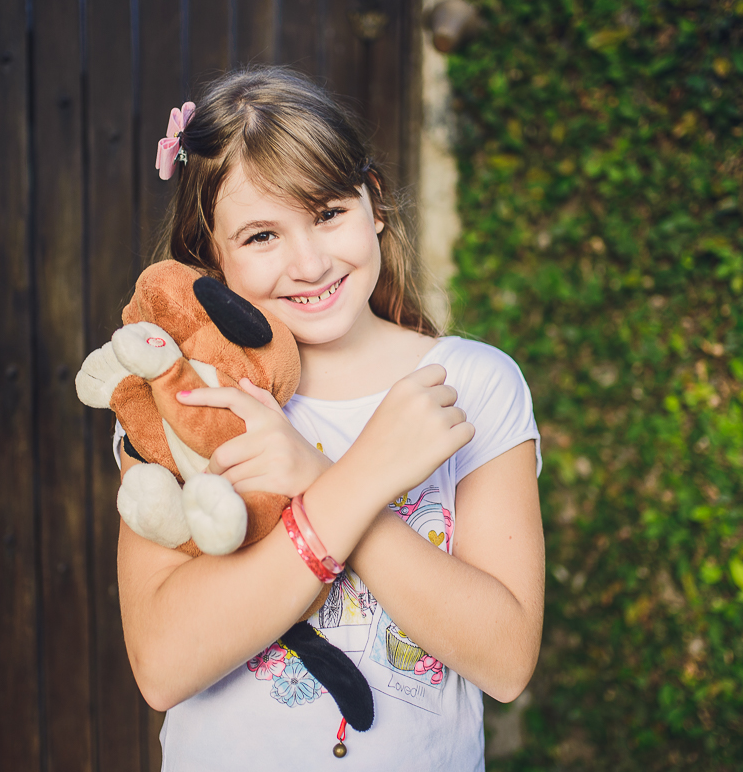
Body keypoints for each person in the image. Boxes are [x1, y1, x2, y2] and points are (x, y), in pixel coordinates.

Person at [115, 66, 544, 771]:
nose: (309, 263)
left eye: (326, 213)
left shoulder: (472, 384)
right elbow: (162, 665)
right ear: (208, 255)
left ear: (373, 203)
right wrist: (353, 484)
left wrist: (318, 476)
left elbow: (504, 660)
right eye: (260, 237)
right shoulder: (188, 392)